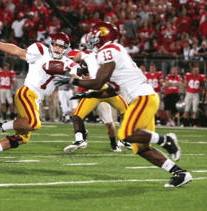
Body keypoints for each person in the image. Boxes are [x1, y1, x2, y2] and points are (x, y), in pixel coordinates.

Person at [54, 22, 192, 188]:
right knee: (141, 149)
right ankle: (179, 173)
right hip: (142, 97)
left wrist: (72, 80)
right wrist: (91, 94)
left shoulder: (108, 50)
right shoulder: (113, 51)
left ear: (102, 36)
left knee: (125, 134)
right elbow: (112, 90)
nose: (91, 38)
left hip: (142, 97)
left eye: (94, 35)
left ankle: (165, 139)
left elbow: (99, 82)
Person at [0, 32, 78, 165]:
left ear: (66, 49)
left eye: (61, 46)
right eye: (55, 45)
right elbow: (16, 51)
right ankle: (2, 126)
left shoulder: (68, 63)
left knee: (22, 137)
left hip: (37, 100)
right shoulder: (40, 50)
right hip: (27, 92)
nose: (57, 49)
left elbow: (78, 78)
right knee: (35, 124)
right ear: (50, 44)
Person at [64, 40, 128, 153]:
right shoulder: (87, 57)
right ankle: (80, 138)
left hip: (105, 90)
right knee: (78, 115)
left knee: (111, 122)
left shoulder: (103, 56)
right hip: (96, 91)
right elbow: (77, 63)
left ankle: (117, 143)